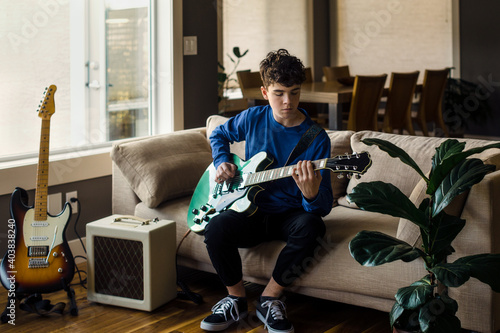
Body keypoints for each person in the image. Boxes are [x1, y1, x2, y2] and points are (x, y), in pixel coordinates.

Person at [200, 49, 333, 333]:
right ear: (264, 91)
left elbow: (322, 208)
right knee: (215, 229)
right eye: (279, 93)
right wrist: (222, 160)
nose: (288, 102)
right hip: (251, 209)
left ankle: (269, 299)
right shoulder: (253, 118)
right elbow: (219, 134)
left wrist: (310, 195)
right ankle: (235, 298)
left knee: (313, 227)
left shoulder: (316, 138)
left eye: (295, 93)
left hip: (291, 215)